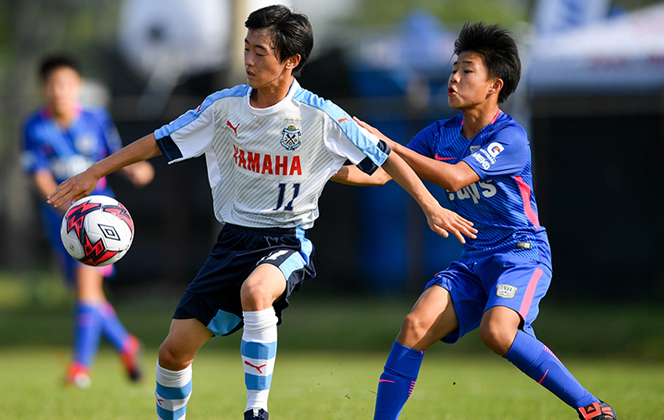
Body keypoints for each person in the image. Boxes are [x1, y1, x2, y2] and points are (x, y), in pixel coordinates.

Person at [47, 5, 477, 420]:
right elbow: (159, 141)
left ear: (291, 61)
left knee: (256, 292)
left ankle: (256, 409)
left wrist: (431, 205)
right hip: (232, 241)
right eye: (246, 48)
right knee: (172, 352)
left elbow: (387, 160)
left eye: (260, 52)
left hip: (287, 240)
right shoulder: (223, 107)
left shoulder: (320, 115)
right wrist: (95, 172)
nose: (249, 60)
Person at [332, 22, 617, 420]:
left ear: (493, 86)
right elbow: (382, 173)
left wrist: (388, 143)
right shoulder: (440, 133)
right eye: (454, 69)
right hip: (474, 260)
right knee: (415, 325)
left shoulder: (511, 136)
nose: (454, 78)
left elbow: (453, 177)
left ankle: (592, 408)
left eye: (467, 70)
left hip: (521, 254)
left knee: (496, 332)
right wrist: (316, 171)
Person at [21, 53, 155, 388]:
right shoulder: (34, 126)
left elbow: (112, 156)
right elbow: (38, 174)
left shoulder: (95, 118)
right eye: (52, 85)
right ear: (43, 89)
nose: (58, 91)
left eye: (65, 84)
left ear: (77, 86)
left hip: (98, 219)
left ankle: (80, 368)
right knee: (87, 298)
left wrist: (134, 168)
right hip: (60, 223)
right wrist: (58, 202)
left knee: (86, 289)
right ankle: (126, 344)